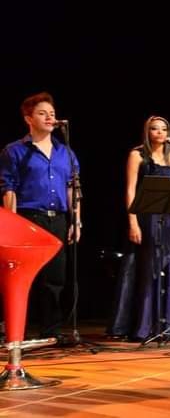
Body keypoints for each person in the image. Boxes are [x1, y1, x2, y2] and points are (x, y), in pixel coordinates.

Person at [0, 92, 81, 341]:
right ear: (28, 118)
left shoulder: (65, 152)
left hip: (58, 219)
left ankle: (51, 332)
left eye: (52, 114)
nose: (49, 118)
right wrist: (12, 226)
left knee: (55, 278)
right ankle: (15, 331)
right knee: (23, 278)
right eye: (42, 113)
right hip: (28, 219)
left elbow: (73, 188)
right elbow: (9, 188)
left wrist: (76, 221)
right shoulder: (14, 151)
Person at [124, 115, 170, 341]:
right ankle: (146, 326)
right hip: (148, 218)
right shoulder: (137, 155)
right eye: (155, 128)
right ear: (147, 131)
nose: (160, 132)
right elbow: (131, 190)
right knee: (150, 269)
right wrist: (133, 222)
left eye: (164, 129)